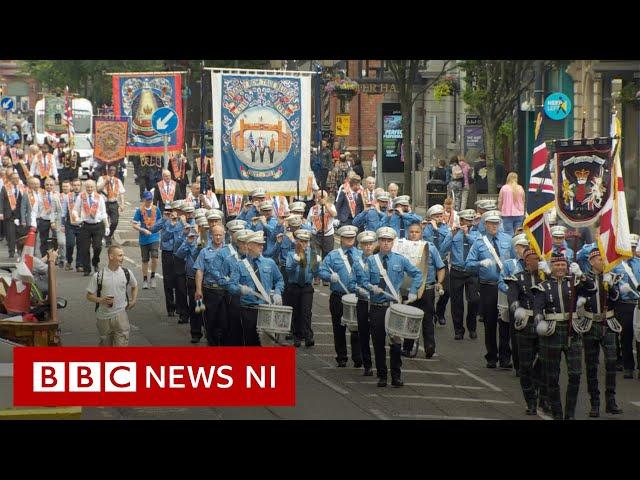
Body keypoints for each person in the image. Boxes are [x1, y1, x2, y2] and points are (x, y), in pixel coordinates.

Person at [359, 227, 422, 387]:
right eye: (383, 241)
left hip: (394, 306)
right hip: (377, 306)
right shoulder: (371, 261)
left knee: (395, 342)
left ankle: (396, 375)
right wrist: (370, 287)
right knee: (378, 342)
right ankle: (382, 375)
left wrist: (413, 291)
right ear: (379, 242)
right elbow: (363, 280)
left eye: (389, 241)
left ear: (393, 242)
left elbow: (417, 274)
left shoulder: (400, 260)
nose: (386, 243)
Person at [532, 253, 583, 420]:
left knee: (575, 374)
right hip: (552, 332)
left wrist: (581, 275)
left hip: (572, 330)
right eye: (557, 265)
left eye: (563, 265)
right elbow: (538, 308)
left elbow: (592, 289)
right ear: (551, 267)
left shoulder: (575, 283)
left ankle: (570, 414)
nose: (560, 268)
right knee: (552, 376)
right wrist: (539, 321)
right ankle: (557, 413)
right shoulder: (543, 286)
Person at [465, 210, 514, 369]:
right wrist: (480, 263)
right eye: (491, 223)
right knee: (490, 322)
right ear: (485, 224)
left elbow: (515, 259)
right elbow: (468, 264)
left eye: (496, 223)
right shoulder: (479, 242)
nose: (494, 226)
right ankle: (492, 356)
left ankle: (506, 357)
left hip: (506, 285)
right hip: (488, 286)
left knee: (506, 322)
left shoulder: (508, 239)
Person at [578, 248, 623, 417]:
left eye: (604, 259)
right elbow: (579, 295)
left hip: (608, 322)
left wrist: (610, 285)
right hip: (590, 323)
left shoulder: (611, 276)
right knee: (591, 364)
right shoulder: (583, 278)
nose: (602, 262)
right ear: (591, 261)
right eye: (598, 259)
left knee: (611, 361)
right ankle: (594, 402)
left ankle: (610, 400)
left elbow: (616, 298)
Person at [505, 247, 547, 415]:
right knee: (525, 365)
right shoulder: (518, 278)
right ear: (526, 260)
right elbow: (512, 296)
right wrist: (516, 308)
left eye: (538, 258)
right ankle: (530, 400)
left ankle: (543, 397)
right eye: (532, 258)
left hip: (544, 325)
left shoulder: (546, 277)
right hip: (526, 323)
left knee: (545, 363)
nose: (535, 261)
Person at [228, 231, 284, 346]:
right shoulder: (240, 265)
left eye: (262, 244)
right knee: (251, 342)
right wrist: (240, 290)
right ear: (249, 245)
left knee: (267, 343)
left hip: (266, 308)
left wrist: (277, 292)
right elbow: (231, 285)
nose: (262, 246)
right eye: (258, 244)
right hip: (248, 309)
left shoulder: (269, 262)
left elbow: (279, 280)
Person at [398, 223, 445, 359]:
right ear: (408, 233)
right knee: (410, 318)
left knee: (428, 319)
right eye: (411, 232)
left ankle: (430, 347)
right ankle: (407, 347)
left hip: (427, 288)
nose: (413, 234)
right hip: (409, 288)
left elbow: (440, 267)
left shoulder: (430, 248)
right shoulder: (402, 248)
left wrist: (439, 282)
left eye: (416, 232)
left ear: (421, 233)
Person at [319, 225, 363, 368]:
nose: (350, 240)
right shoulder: (333, 255)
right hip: (338, 296)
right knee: (339, 328)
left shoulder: (360, 254)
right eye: (347, 237)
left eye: (352, 237)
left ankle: (358, 357)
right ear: (341, 238)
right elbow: (322, 270)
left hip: (355, 296)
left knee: (356, 328)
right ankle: (342, 356)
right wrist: (329, 276)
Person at [439, 209, 480, 340]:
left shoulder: (476, 233)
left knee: (474, 300)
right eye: (466, 221)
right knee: (457, 303)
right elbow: (443, 250)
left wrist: (467, 234)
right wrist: (451, 234)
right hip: (457, 270)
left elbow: (478, 246)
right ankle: (458, 330)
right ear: (461, 221)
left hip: (472, 271)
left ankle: (471, 326)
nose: (469, 223)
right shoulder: (453, 233)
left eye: (470, 221)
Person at [86, 245, 138, 347]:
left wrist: (133, 300)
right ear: (111, 256)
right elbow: (89, 296)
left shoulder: (126, 273)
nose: (122, 258)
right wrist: (101, 300)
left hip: (121, 315)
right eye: (119, 255)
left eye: (123, 255)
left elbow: (135, 286)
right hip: (103, 317)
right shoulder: (99, 276)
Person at [285, 229, 320, 347]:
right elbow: (288, 271)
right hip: (294, 286)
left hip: (306, 287)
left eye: (306, 241)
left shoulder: (313, 254)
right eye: (302, 241)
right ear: (297, 242)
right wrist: (295, 261)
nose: (304, 244)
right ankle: (297, 336)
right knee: (296, 312)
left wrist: (318, 264)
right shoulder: (291, 254)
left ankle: (308, 336)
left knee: (306, 311)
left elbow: (315, 274)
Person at [194, 224, 228, 346]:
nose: (218, 237)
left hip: (225, 291)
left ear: (224, 235)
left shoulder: (229, 251)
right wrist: (198, 290)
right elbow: (199, 271)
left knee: (224, 322)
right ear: (211, 236)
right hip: (210, 290)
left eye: (220, 235)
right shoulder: (204, 252)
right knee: (210, 322)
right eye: (215, 235)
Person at [613, 233, 640, 379]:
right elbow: (610, 284)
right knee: (626, 336)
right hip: (624, 304)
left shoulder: (639, 263)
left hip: (638, 303)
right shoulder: (616, 265)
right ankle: (628, 366)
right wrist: (617, 289)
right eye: (629, 246)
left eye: (634, 247)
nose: (632, 249)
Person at [150, 204, 185, 318]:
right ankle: (170, 307)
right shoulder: (165, 220)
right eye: (170, 210)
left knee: (180, 282)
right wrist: (165, 219)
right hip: (168, 252)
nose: (173, 213)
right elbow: (155, 230)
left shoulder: (182, 221)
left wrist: (176, 222)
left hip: (179, 252)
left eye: (175, 210)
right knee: (168, 281)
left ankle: (181, 307)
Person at [72, 179, 108, 277]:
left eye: (91, 187)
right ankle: (87, 268)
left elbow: (104, 213)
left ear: (95, 188)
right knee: (85, 248)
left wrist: (107, 226)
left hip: (98, 226)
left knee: (97, 247)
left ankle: (95, 262)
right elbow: (75, 210)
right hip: (85, 225)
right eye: (87, 187)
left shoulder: (99, 198)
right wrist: (77, 218)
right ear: (85, 187)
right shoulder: (81, 197)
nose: (89, 189)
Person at [422, 204, 451, 325]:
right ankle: (432, 312)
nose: (439, 218)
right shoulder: (425, 227)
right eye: (436, 216)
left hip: (442, 261)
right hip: (429, 262)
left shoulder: (445, 228)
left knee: (447, 290)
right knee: (429, 290)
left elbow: (448, 237)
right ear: (430, 217)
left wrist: (436, 229)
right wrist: (424, 227)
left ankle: (440, 311)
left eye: (441, 216)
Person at [353, 230, 377, 375]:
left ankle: (380, 365)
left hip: (376, 302)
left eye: (370, 244)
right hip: (362, 301)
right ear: (360, 246)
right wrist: (357, 289)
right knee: (363, 333)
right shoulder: (357, 263)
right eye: (365, 244)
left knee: (378, 335)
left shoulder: (380, 261)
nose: (368, 247)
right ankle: (367, 364)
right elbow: (351, 282)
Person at [131, 190, 161, 289]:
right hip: (144, 238)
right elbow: (134, 224)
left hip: (154, 237)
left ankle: (152, 277)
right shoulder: (139, 210)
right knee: (145, 260)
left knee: (155, 257)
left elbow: (160, 221)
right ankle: (144, 279)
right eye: (147, 200)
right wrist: (142, 229)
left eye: (151, 199)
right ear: (144, 199)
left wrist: (159, 229)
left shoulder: (156, 209)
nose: (149, 201)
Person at [97, 165, 125, 247]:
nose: (112, 171)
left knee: (115, 222)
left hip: (113, 203)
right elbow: (98, 189)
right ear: (107, 170)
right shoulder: (101, 178)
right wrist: (105, 181)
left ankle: (108, 236)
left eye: (114, 170)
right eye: (110, 170)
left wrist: (122, 204)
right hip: (104, 203)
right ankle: (106, 238)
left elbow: (122, 193)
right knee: (103, 222)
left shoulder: (118, 180)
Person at [0, 172, 25, 258]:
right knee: (10, 235)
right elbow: (1, 201)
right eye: (14, 178)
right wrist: (1, 213)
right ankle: (11, 252)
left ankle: (20, 251)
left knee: (20, 235)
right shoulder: (5, 188)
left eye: (17, 178)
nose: (16, 180)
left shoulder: (22, 188)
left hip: (20, 215)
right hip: (9, 215)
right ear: (10, 179)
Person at [35, 177, 61, 258]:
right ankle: (44, 256)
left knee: (56, 239)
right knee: (43, 240)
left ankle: (55, 257)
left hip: (55, 220)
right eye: (47, 185)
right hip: (44, 219)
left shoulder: (58, 195)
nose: (49, 186)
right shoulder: (40, 195)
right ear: (44, 185)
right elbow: (37, 208)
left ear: (54, 186)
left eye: (51, 185)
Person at [62, 178, 83, 271]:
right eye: (74, 185)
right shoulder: (68, 196)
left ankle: (79, 265)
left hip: (81, 224)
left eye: (78, 185)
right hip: (70, 224)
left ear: (81, 186)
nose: (76, 187)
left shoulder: (84, 196)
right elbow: (63, 211)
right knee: (70, 244)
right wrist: (62, 224)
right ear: (72, 186)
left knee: (80, 245)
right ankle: (69, 261)